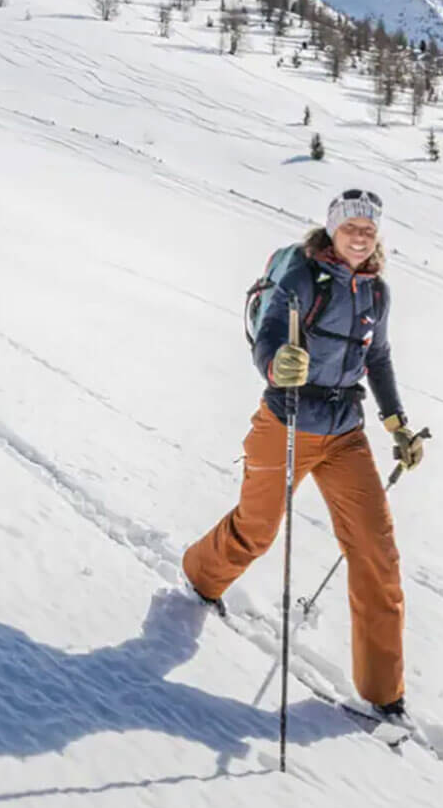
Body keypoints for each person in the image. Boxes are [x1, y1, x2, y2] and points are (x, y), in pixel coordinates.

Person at [182, 186, 425, 724]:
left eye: (368, 229)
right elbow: (268, 334)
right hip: (286, 421)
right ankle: (201, 575)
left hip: (345, 433)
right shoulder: (302, 274)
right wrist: (276, 367)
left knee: (377, 552)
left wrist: (397, 425)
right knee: (257, 530)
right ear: (332, 229)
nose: (359, 236)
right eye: (350, 227)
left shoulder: (377, 293)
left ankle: (384, 692)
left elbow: (378, 359)